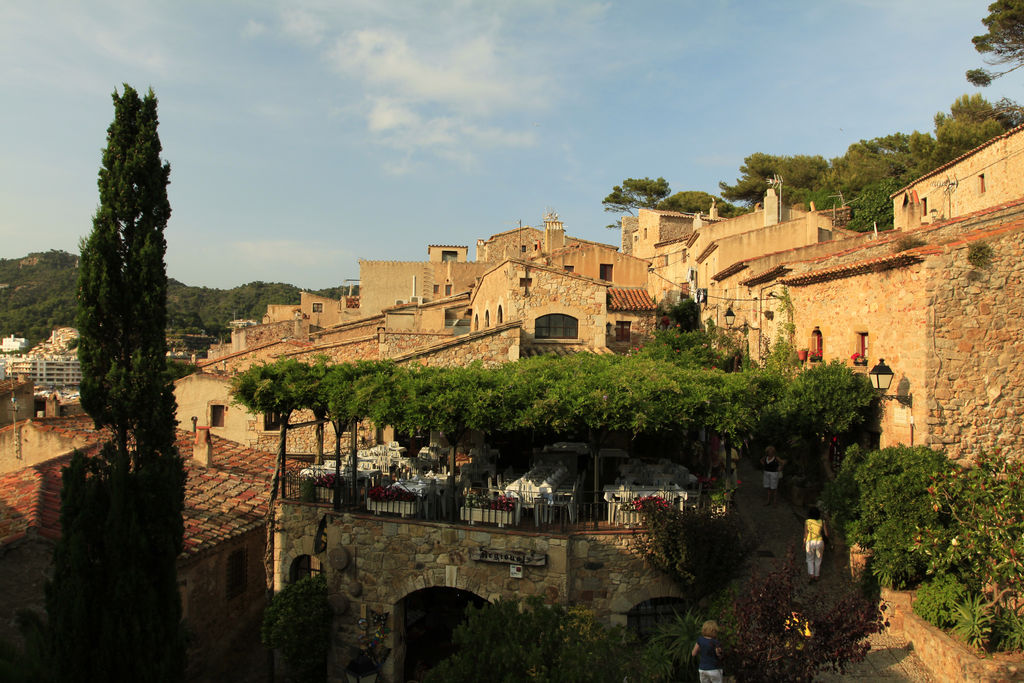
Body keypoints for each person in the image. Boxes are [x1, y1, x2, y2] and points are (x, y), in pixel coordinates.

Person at [804, 506, 829, 581]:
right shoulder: (822, 522)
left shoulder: (807, 522)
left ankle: (811, 574)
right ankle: (816, 576)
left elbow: (806, 534)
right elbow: (826, 534)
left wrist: (804, 543)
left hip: (810, 542)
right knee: (818, 559)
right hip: (819, 542)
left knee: (810, 559)